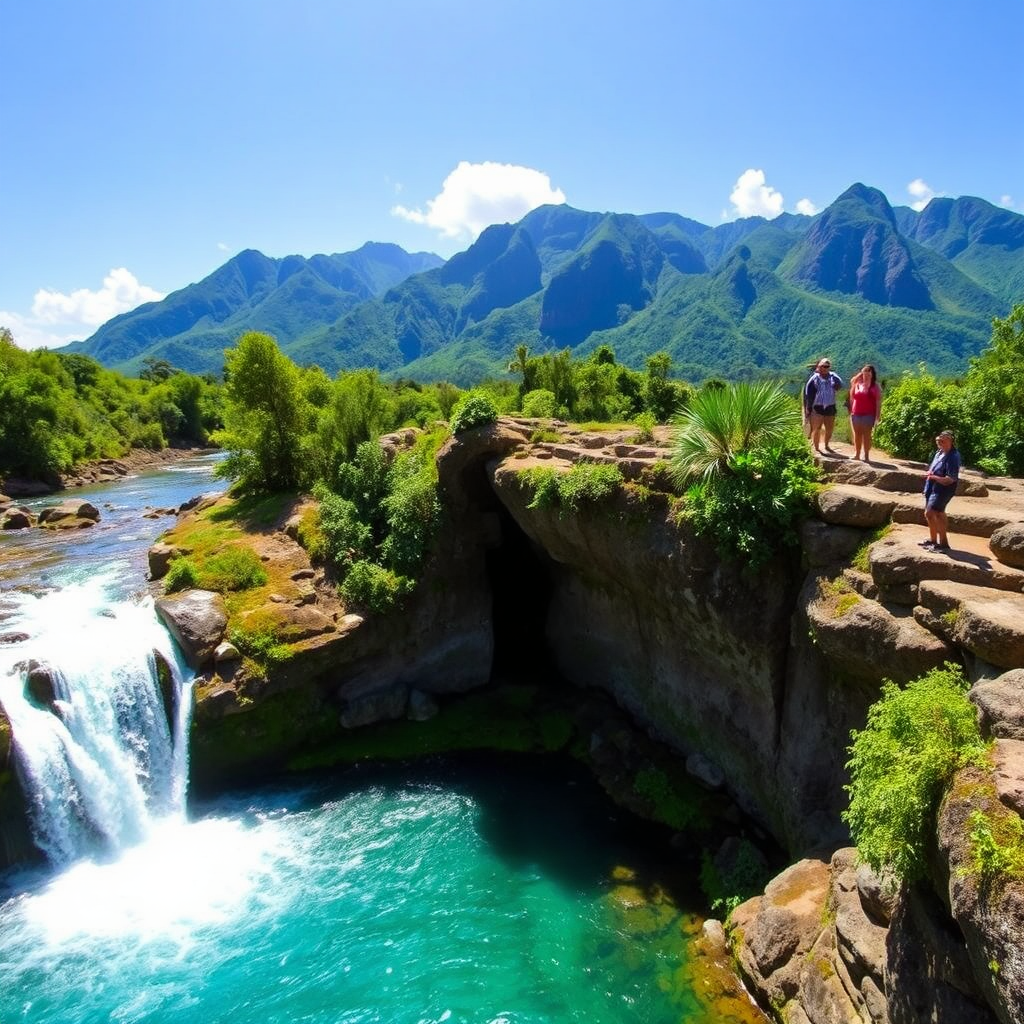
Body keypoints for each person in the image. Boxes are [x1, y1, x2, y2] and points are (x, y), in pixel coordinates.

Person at [920, 430, 961, 552]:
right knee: (932, 513)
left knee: (934, 512)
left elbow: (950, 479)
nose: (940, 441)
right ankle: (933, 541)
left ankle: (943, 544)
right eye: (939, 439)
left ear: (951, 441)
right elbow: (934, 469)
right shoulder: (939, 452)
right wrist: (930, 475)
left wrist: (933, 477)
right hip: (932, 486)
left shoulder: (953, 456)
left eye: (944, 439)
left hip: (943, 489)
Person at [803, 358, 844, 455]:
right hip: (817, 407)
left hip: (830, 407)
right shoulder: (814, 379)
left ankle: (826, 445)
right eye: (823, 366)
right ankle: (817, 448)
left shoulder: (833, 377)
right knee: (816, 428)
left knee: (829, 429)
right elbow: (808, 394)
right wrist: (808, 408)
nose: (825, 368)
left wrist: (835, 380)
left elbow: (840, 385)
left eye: (827, 366)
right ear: (818, 367)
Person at [848, 364, 883, 463]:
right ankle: (857, 454)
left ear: (873, 374)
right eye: (865, 371)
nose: (866, 373)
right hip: (856, 413)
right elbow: (852, 381)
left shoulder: (875, 386)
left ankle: (866, 455)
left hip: (869, 414)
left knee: (867, 435)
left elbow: (878, 402)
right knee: (857, 434)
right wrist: (861, 374)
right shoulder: (857, 383)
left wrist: (877, 416)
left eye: (869, 371)